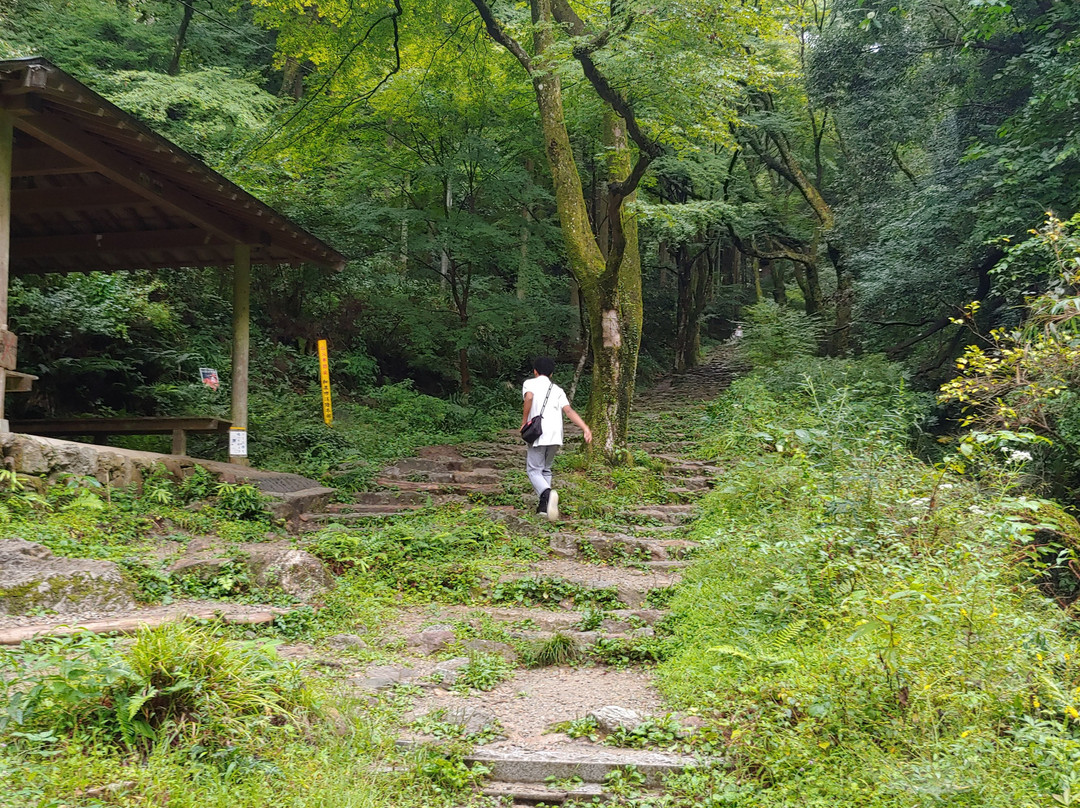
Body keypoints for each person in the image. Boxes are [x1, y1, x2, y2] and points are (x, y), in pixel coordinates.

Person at [521, 357, 592, 520]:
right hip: (555, 435)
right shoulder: (557, 390)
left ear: (535, 371)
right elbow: (569, 411)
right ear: (552, 374)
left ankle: (547, 493)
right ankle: (544, 509)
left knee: (533, 470)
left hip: (538, 433)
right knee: (545, 469)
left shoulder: (529, 383)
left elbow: (529, 398)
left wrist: (524, 421)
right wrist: (585, 427)